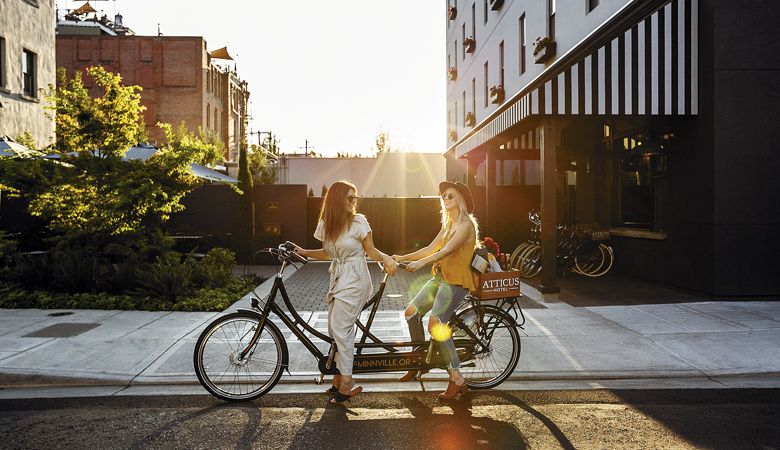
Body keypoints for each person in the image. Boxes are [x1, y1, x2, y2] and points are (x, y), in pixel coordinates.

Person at [295, 180, 398, 404]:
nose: (354, 202)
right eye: (349, 198)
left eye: (355, 198)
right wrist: (304, 252)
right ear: (336, 200)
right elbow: (327, 253)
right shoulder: (326, 223)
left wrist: (387, 257)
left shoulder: (359, 222)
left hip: (356, 277)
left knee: (341, 328)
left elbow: (370, 250)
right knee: (334, 329)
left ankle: (347, 380)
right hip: (339, 277)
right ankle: (338, 378)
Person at [392, 181, 479, 400]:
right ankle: (418, 361)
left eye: (450, 196)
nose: (446, 199)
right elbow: (431, 248)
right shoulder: (448, 224)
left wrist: (420, 264)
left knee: (436, 323)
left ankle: (456, 377)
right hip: (440, 278)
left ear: (459, 199)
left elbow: (446, 251)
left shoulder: (466, 224)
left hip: (456, 282)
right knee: (411, 313)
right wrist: (402, 257)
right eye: (443, 196)